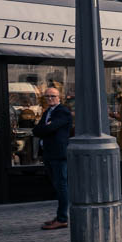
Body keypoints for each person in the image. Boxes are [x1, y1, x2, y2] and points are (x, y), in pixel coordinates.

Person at [32, 86, 71, 230]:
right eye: (47, 96)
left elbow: (48, 128)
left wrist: (46, 128)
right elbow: (36, 130)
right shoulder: (48, 112)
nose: (50, 99)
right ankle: (60, 216)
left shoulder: (63, 111)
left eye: (53, 96)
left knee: (61, 186)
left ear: (59, 97)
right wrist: (45, 128)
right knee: (57, 185)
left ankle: (62, 218)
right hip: (48, 153)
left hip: (58, 154)